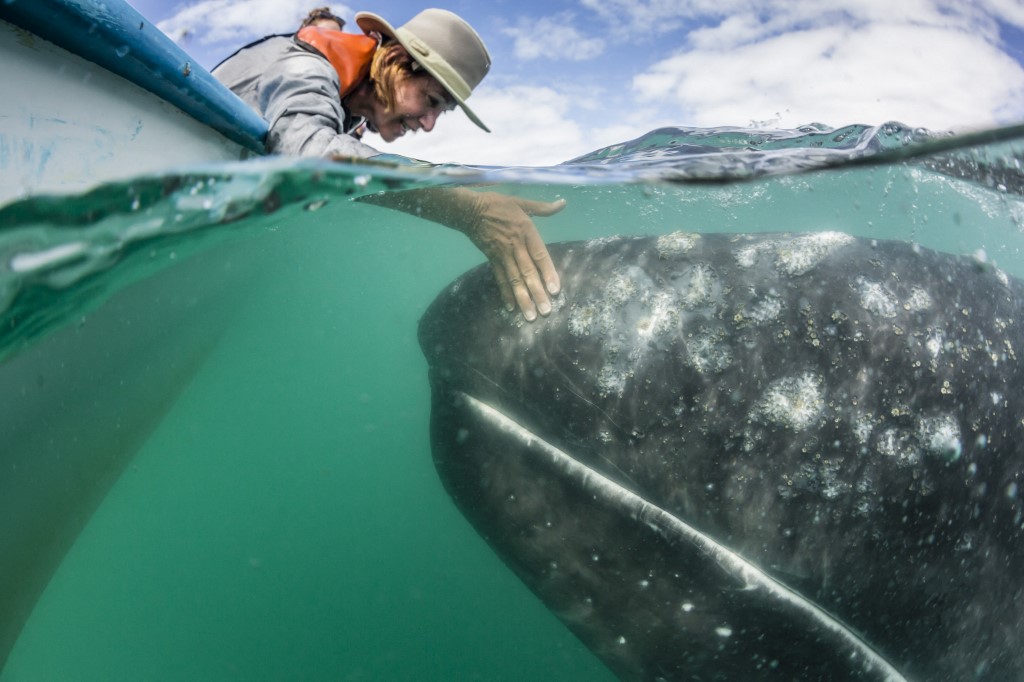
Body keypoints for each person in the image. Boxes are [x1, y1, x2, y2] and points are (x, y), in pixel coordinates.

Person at [213, 8, 563, 321]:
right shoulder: (305, 65)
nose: (428, 124)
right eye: (431, 100)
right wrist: (468, 210)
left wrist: (451, 183)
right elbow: (306, 151)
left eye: (441, 112)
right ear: (395, 58)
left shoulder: (346, 106)